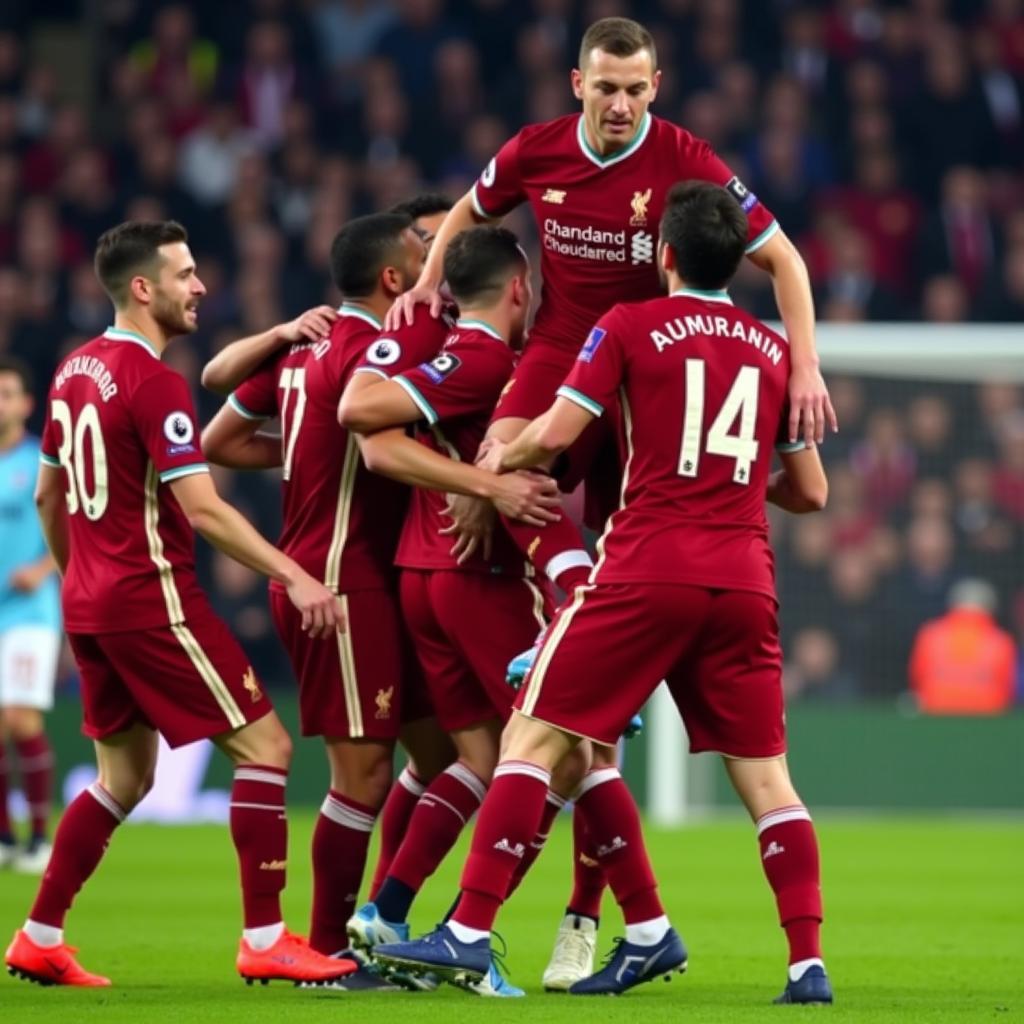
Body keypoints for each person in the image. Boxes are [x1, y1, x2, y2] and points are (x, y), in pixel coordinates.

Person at [372, 181, 834, 1006]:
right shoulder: (770, 350)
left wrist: (491, 472)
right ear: (737, 261)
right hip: (743, 578)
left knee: (534, 736)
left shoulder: (626, 325)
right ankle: (805, 967)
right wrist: (719, 476)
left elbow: (553, 433)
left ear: (662, 256)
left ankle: (468, 933)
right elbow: (810, 494)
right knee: (769, 781)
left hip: (645, 570)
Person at [200, 211, 558, 991]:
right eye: (424, 254)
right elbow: (373, 426)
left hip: (381, 575)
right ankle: (333, 948)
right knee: (360, 777)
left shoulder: (307, 344)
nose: (438, 271)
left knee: (452, 759)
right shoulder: (385, 347)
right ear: (395, 281)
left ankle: (386, 921)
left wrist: (296, 443)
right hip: (340, 579)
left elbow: (221, 436)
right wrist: (485, 483)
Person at [4, 220, 351, 989]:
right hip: (152, 602)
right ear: (142, 288)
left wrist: (77, 577)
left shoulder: (72, 370)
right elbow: (205, 509)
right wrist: (296, 574)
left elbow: (46, 492)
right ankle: (265, 937)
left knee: (121, 781)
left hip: (91, 606)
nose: (199, 287)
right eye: (185, 274)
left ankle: (38, 934)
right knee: (268, 750)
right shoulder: (153, 381)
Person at [339, 225, 590, 997]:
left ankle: (389, 913)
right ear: (521, 289)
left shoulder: (452, 352)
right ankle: (478, 936)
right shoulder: (485, 359)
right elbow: (362, 414)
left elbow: (384, 446)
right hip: (478, 577)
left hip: (422, 573)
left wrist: (466, 476)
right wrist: (486, 486)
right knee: (566, 757)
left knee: (475, 764)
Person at [0, 356, 60, 875]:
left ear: (24, 404)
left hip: (31, 611)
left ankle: (40, 838)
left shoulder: (41, 459)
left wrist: (43, 568)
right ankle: (3, 836)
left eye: (7, 393)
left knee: (19, 718)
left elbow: (72, 526)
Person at [909, 578, 1017, 714]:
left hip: (936, 710)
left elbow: (916, 678)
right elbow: (1008, 687)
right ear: (990, 609)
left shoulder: (930, 635)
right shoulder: (1001, 641)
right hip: (988, 714)